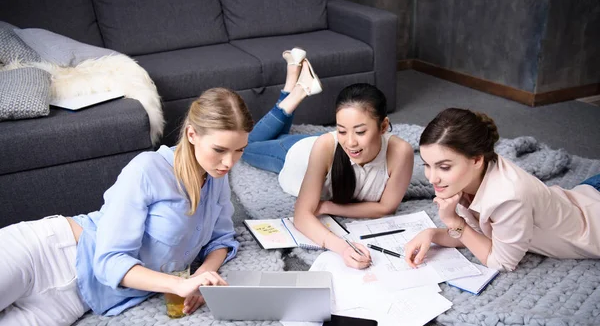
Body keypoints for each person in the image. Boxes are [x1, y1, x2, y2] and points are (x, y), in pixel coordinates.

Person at [0, 87, 254, 326]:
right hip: (48, 251)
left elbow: (221, 240)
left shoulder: (216, 177)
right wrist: (176, 283)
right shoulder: (147, 170)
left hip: (76, 300)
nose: (229, 163)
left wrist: (202, 279)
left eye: (239, 151)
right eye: (220, 150)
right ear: (192, 134)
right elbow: (108, 261)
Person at [242, 48, 414, 269]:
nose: (350, 141)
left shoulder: (401, 151)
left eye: (360, 132)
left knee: (276, 134)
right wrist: (343, 247)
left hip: (324, 148)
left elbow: (386, 207)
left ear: (383, 126)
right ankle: (296, 90)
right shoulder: (326, 145)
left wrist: (328, 207)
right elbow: (302, 216)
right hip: (297, 154)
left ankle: (294, 80)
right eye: (341, 130)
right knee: (246, 147)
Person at [404, 107, 600, 271]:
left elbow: (502, 262)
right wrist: (432, 234)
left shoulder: (509, 197)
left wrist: (454, 220)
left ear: (476, 160)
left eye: (444, 167)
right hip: (584, 193)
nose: (431, 178)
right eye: (427, 165)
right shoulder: (467, 177)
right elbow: (476, 238)